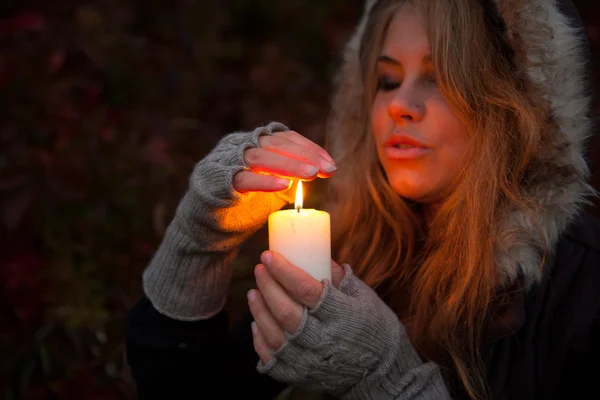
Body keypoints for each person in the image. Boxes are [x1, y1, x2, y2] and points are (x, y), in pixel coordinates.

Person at [125, 0, 600, 398]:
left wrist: (385, 379)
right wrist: (200, 240)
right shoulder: (347, 258)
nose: (398, 104)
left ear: (516, 107)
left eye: (438, 78)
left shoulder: (580, 286)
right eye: (387, 81)